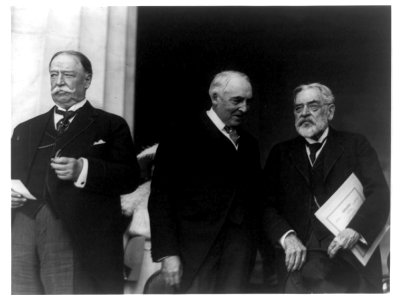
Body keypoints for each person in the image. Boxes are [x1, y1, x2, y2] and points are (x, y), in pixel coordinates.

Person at [11, 50, 140, 294]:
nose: (58, 81)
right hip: (22, 228)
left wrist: (84, 170)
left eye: (68, 75)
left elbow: (129, 177)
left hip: (77, 233)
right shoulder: (25, 129)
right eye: (53, 74)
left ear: (87, 80)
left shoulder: (111, 125)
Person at [262, 83, 390, 293]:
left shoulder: (355, 145)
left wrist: (355, 230)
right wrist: (287, 237)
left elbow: (379, 194)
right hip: (297, 259)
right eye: (298, 108)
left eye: (312, 106)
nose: (304, 113)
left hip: (349, 258)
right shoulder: (280, 153)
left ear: (330, 111)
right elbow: (265, 205)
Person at [148, 70, 262, 293]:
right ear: (215, 97)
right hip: (194, 254)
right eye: (237, 100)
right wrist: (168, 253)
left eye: (248, 101)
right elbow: (161, 198)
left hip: (238, 255)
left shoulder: (250, 144)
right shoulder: (180, 135)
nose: (245, 108)